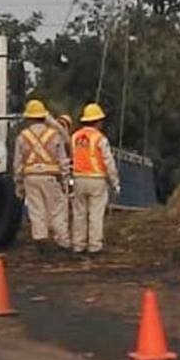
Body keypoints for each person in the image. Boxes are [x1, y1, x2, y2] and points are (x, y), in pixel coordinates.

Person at [12, 99, 70, 253]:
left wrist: (19, 184)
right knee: (56, 210)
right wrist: (65, 181)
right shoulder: (54, 135)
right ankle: (62, 241)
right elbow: (63, 160)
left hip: (30, 177)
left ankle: (40, 239)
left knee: (36, 210)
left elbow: (18, 163)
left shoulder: (22, 137)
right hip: (51, 177)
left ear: (29, 118)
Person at [69, 102, 120, 256]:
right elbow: (108, 161)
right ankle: (94, 246)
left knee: (79, 213)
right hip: (97, 179)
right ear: (98, 121)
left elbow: (72, 157)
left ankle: (78, 245)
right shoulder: (100, 138)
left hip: (78, 178)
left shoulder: (75, 137)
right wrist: (115, 182)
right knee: (96, 214)